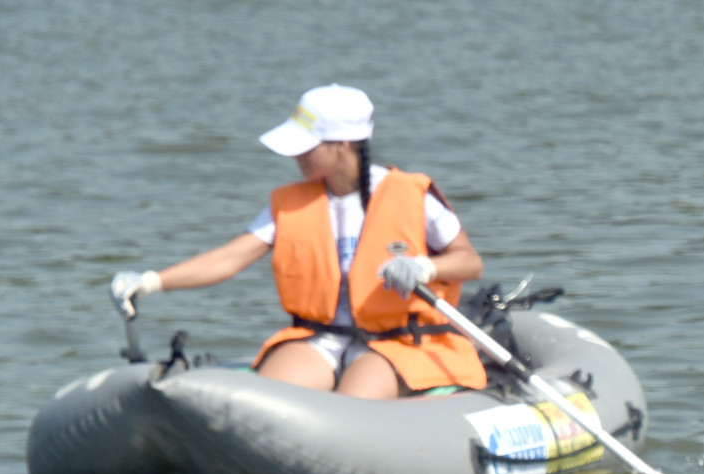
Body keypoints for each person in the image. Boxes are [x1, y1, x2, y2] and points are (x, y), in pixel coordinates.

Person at [107, 85, 485, 399]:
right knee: (267, 402)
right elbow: (230, 258)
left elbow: (469, 261)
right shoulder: (289, 203)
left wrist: (426, 266)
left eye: (308, 146)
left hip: (396, 343)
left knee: (351, 406)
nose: (297, 156)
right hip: (320, 339)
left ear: (343, 145)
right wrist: (150, 281)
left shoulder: (411, 193)